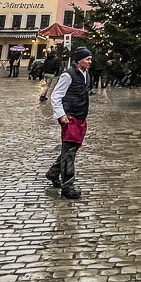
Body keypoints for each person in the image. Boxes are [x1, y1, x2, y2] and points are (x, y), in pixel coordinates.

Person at [46, 47, 94, 199]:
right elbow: (56, 95)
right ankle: (68, 186)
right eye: (87, 59)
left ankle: (53, 172)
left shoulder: (86, 74)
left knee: (71, 149)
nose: (90, 62)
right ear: (79, 60)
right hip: (70, 117)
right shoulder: (68, 75)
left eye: (90, 59)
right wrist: (61, 115)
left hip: (80, 116)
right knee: (69, 152)